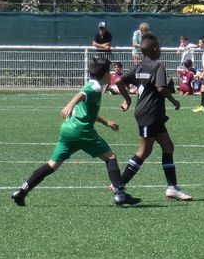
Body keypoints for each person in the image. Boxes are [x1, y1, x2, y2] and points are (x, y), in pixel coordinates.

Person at [11, 54, 140, 207]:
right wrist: (70, 104)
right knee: (110, 157)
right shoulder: (94, 87)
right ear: (106, 75)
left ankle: (22, 191)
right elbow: (81, 95)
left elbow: (87, 111)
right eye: (109, 73)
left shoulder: (92, 84)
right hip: (82, 131)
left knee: (52, 165)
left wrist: (106, 122)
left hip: (68, 130)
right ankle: (120, 193)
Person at [114, 33, 191, 201]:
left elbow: (118, 81)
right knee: (144, 151)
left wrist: (127, 100)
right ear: (155, 49)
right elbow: (161, 88)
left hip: (149, 113)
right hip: (151, 113)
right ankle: (119, 184)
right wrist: (174, 101)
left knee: (168, 147)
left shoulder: (139, 67)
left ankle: (172, 188)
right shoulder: (158, 66)